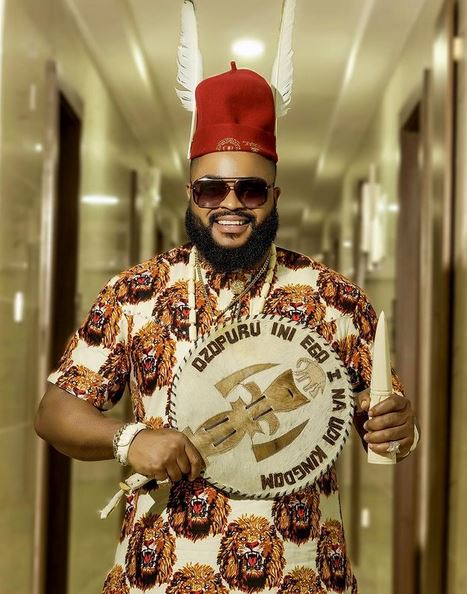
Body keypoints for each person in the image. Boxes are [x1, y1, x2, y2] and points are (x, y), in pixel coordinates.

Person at [35, 22, 418, 594]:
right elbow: (54, 411)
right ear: (191, 194)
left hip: (301, 576)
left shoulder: (332, 297)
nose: (231, 204)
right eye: (211, 189)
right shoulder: (136, 293)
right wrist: (129, 440)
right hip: (159, 578)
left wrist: (398, 429)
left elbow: (389, 428)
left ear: (274, 196)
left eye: (251, 190)